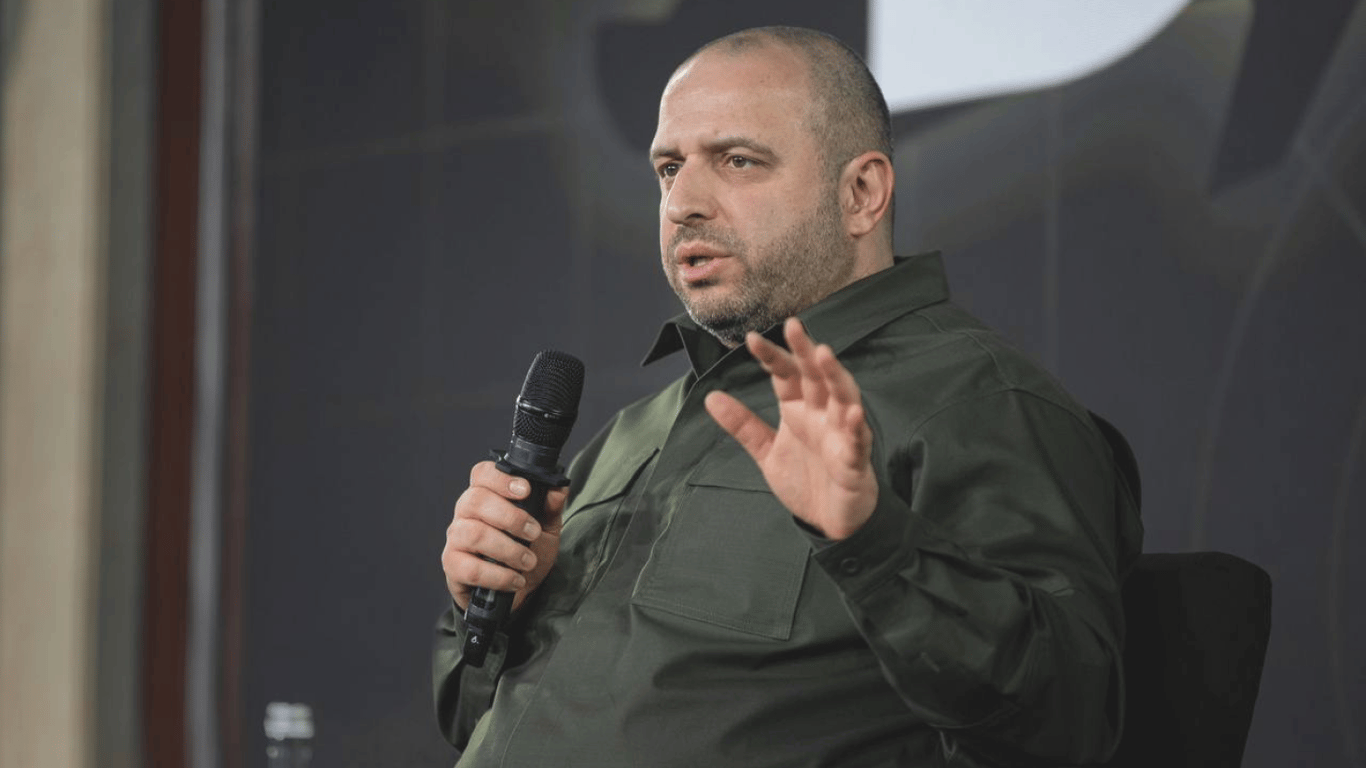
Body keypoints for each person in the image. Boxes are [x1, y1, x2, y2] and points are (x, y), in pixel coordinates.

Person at [434, 25, 1143, 767]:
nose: (682, 204)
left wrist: (871, 543)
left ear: (861, 193)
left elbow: (1067, 723)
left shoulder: (981, 401)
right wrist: (493, 612)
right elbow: (469, 716)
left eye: (737, 160)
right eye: (669, 168)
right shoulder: (633, 431)